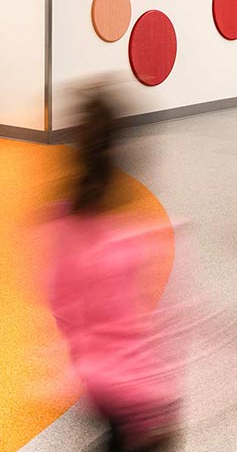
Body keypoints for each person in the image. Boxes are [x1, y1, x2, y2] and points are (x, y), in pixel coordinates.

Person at [44, 87, 180, 451]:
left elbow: (59, 304)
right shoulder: (136, 234)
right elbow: (169, 318)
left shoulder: (61, 222)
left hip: (99, 384)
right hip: (145, 393)